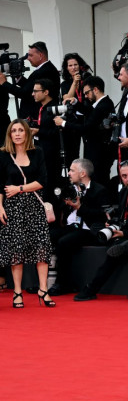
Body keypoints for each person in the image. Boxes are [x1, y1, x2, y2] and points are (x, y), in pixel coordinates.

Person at [74, 160, 128, 302]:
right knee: (113, 250)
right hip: (127, 232)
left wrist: (126, 234)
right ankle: (92, 288)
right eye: (124, 176)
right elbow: (122, 214)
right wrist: (112, 223)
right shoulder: (124, 191)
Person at [0, 119, 55, 308]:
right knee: (17, 251)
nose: (17, 134)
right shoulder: (4, 155)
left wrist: (19, 188)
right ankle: (17, 292)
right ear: (9, 134)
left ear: (26, 133)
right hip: (13, 208)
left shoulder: (37, 152)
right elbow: (0, 185)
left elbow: (42, 181)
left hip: (35, 206)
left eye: (20, 130)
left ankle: (43, 290)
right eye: (13, 130)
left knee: (42, 248)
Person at [48, 158, 109, 297]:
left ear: (83, 174)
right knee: (48, 235)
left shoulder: (99, 190)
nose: (68, 173)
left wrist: (80, 207)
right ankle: (42, 282)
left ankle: (63, 284)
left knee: (64, 242)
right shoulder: (68, 190)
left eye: (72, 170)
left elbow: (101, 215)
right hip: (71, 227)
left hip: (90, 230)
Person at [54, 76, 116, 188]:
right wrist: (76, 102)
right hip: (96, 149)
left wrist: (63, 123)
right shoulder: (100, 104)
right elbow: (90, 112)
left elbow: (87, 127)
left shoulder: (104, 105)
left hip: (100, 151)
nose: (86, 96)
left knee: (99, 179)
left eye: (87, 93)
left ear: (95, 90)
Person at [0, 41, 60, 120]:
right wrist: (18, 77)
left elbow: (24, 93)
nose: (28, 58)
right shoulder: (45, 69)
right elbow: (30, 86)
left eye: (31, 55)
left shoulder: (44, 71)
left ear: (40, 55)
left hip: (36, 116)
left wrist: (4, 83)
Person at [59, 53, 92, 166]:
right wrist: (74, 82)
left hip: (87, 116)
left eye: (75, 64)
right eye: (70, 65)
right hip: (72, 118)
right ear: (66, 68)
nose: (73, 67)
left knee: (90, 148)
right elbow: (67, 99)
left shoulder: (87, 79)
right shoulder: (65, 84)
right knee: (72, 151)